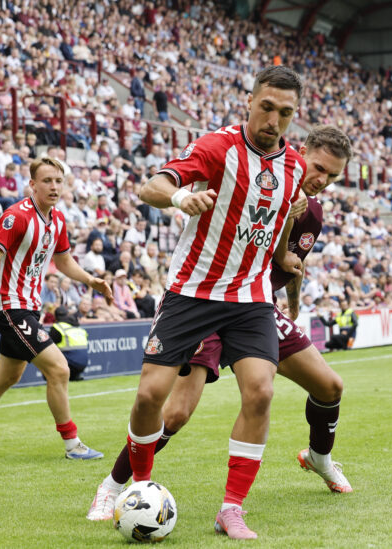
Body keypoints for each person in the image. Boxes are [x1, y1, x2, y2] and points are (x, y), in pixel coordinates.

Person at [87, 125, 353, 524]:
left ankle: (320, 458)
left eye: (333, 177)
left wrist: (293, 304)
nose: (323, 181)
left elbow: (292, 259)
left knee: (330, 386)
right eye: (319, 169)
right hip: (206, 299)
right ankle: (112, 487)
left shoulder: (311, 211)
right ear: (300, 154)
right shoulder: (254, 176)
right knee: (174, 414)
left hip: (255, 305)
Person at [107, 66, 306, 540]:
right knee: (149, 398)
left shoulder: (294, 167)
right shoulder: (217, 147)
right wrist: (179, 197)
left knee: (260, 391)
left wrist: (286, 261)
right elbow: (149, 185)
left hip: (250, 297)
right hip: (192, 292)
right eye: (267, 107)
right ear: (250, 102)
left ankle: (231, 509)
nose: (274, 120)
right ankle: (140, 490)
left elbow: (276, 225)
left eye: (285, 113)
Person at [0, 157, 113, 458]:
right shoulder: (17, 217)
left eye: (58, 181)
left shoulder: (58, 220)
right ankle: (72, 444)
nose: (53, 186)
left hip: (29, 308)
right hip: (10, 307)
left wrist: (91, 280)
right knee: (60, 369)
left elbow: (63, 261)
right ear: (32, 184)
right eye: (47, 180)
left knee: (8, 375)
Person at [49, 306, 89, 382]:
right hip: (84, 363)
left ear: (55, 316)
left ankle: (53, 378)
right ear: (67, 315)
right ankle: (75, 376)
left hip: (70, 364)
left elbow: (49, 347)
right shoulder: (77, 326)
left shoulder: (57, 327)